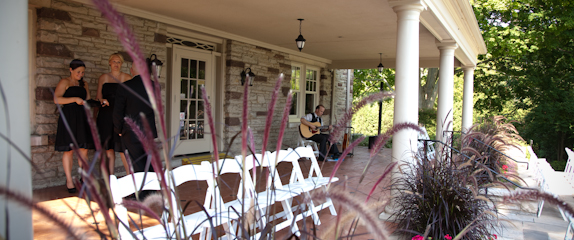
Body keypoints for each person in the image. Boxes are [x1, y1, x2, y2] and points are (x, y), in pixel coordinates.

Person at [54, 59, 94, 193]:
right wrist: (74, 99)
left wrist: (101, 102)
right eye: (78, 72)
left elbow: (88, 101)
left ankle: (84, 178)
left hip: (82, 117)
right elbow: (56, 99)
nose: (80, 74)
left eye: (82, 72)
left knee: (83, 149)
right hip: (68, 117)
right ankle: (69, 180)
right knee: (69, 150)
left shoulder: (84, 84)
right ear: (70, 70)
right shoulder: (64, 82)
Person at [113, 65, 158, 174]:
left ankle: (141, 190)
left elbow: (118, 111)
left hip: (131, 131)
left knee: (137, 163)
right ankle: (151, 189)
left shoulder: (125, 86)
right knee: (149, 161)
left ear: (132, 70)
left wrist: (118, 129)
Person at [96, 53, 132, 175]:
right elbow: (98, 97)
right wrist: (101, 101)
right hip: (105, 115)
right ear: (109, 62)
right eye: (114, 61)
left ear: (121, 64)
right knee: (109, 149)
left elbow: (131, 98)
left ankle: (130, 179)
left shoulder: (127, 77)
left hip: (120, 115)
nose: (116, 64)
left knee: (123, 148)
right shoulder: (103, 78)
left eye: (119, 62)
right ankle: (111, 178)